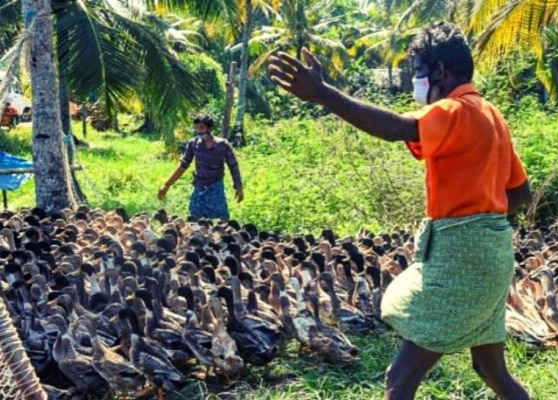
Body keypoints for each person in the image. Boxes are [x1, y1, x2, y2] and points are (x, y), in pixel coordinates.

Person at [268, 22, 532, 400]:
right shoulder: (491, 114)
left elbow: (396, 128)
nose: (416, 81)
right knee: (489, 368)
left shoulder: (454, 109)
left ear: (440, 71)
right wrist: (484, 213)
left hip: (462, 257)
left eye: (419, 71)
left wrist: (324, 94)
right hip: (493, 252)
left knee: (400, 376)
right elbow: (520, 192)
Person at [158, 113, 244, 221]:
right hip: (200, 186)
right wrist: (167, 185)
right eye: (197, 128)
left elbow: (233, 166)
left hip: (216, 186)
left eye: (202, 127)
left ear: (210, 128)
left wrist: (238, 187)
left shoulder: (222, 145)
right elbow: (183, 166)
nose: (199, 131)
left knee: (222, 219)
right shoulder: (193, 144)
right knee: (194, 219)